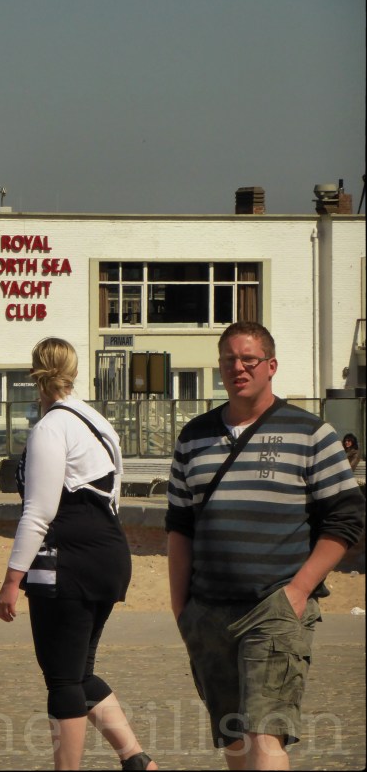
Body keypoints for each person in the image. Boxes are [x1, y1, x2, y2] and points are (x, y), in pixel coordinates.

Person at [166, 321, 364, 771]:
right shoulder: (193, 437)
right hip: (208, 611)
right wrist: (181, 607)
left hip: (274, 607)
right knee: (233, 736)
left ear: (270, 366)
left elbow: (348, 518)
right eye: (229, 359)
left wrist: (298, 592)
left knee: (265, 733)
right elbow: (179, 527)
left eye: (249, 359)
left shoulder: (312, 433)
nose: (238, 367)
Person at [0, 337, 157, 771]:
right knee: (80, 671)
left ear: (35, 372)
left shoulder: (51, 427)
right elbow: (113, 494)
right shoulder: (97, 421)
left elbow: (39, 511)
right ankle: (137, 762)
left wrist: (13, 579)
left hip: (68, 559)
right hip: (108, 553)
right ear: (74, 369)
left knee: (63, 679)